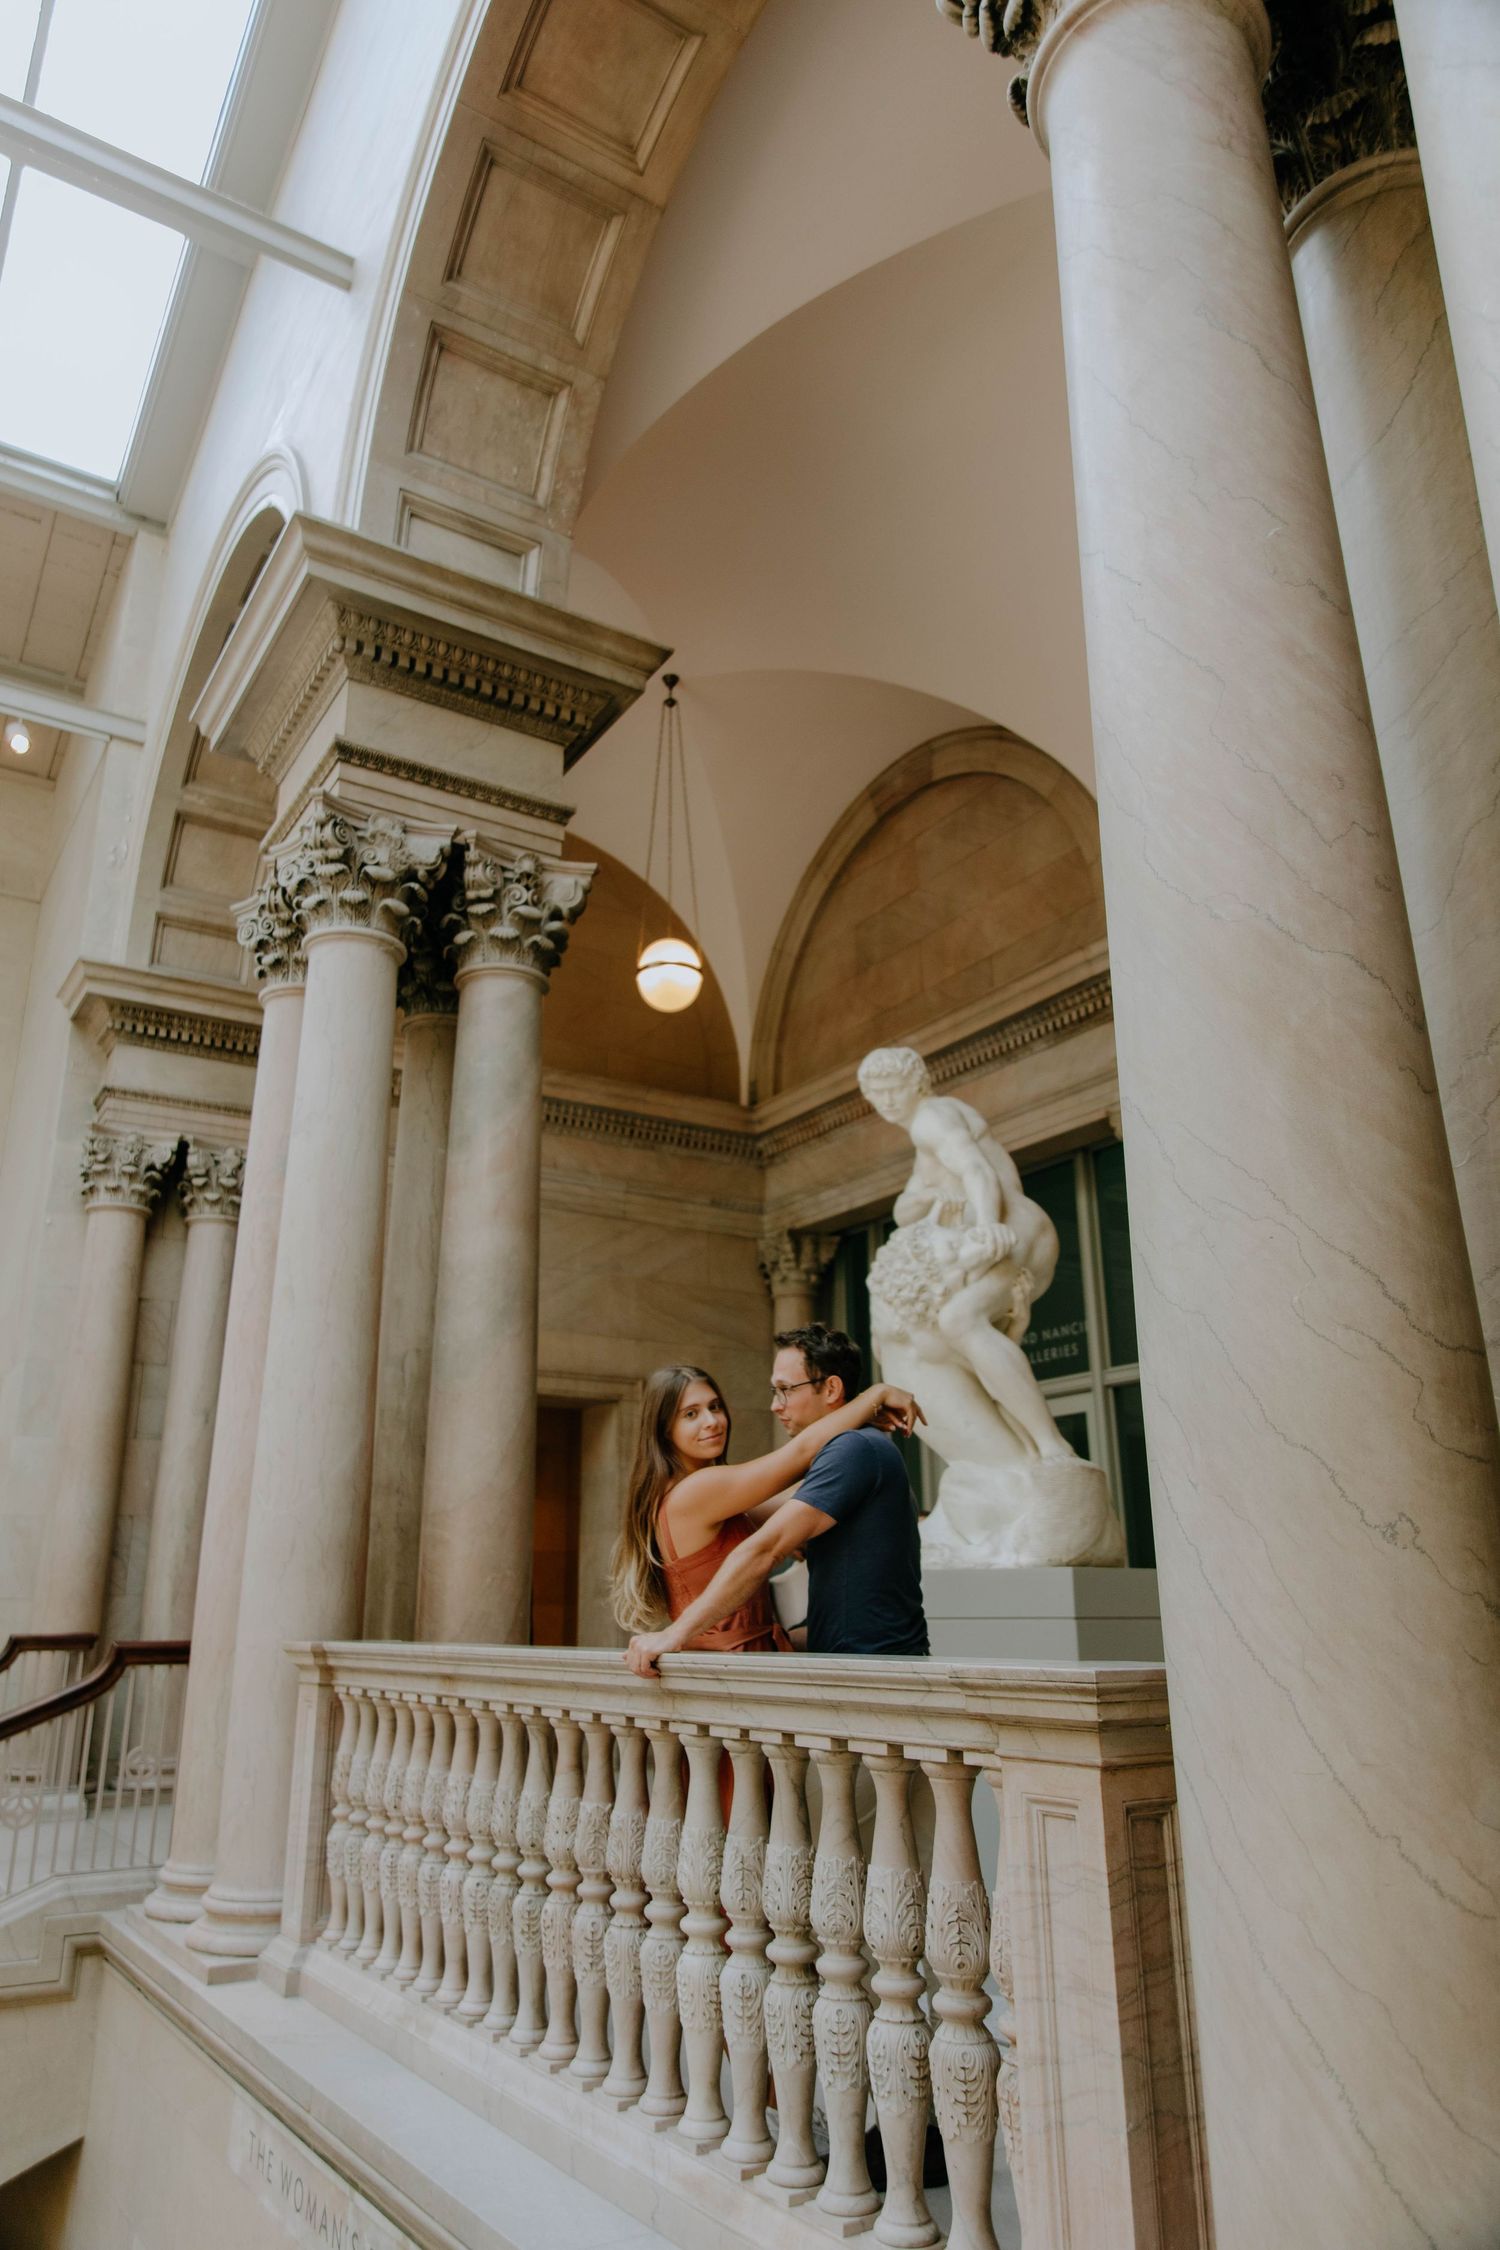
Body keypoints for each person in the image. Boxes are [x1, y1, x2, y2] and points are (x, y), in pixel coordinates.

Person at [623, 1326, 930, 1677]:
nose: (712, 1422)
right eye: (690, 1414)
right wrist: (875, 1395)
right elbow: (798, 1460)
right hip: (733, 1668)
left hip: (743, 1663)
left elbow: (807, 1498)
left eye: (715, 1407)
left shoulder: (697, 1497)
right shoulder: (696, 1490)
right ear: (664, 1429)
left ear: (831, 1388)